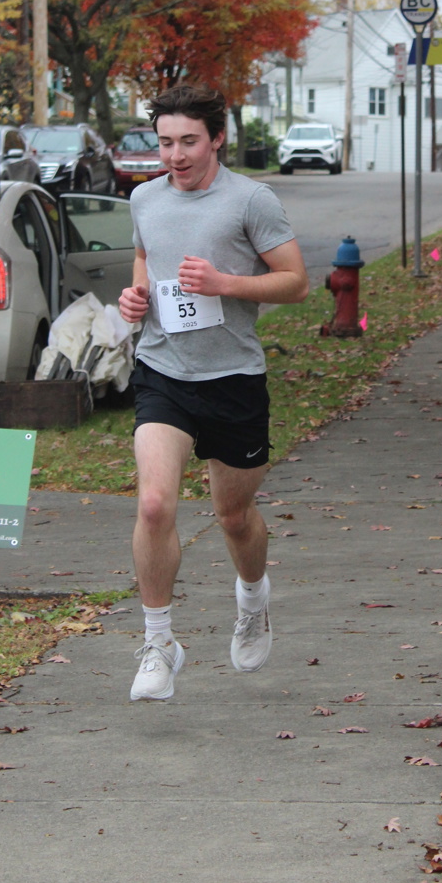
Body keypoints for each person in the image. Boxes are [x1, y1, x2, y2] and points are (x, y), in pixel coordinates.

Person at [118, 83, 309, 702]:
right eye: (165, 142)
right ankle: (159, 642)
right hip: (163, 371)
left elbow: (295, 282)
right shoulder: (144, 198)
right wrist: (135, 297)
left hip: (232, 380)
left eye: (188, 142)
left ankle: (253, 599)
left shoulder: (251, 200)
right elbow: (146, 258)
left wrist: (226, 283)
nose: (175, 155)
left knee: (233, 516)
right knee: (154, 505)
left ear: (217, 139)